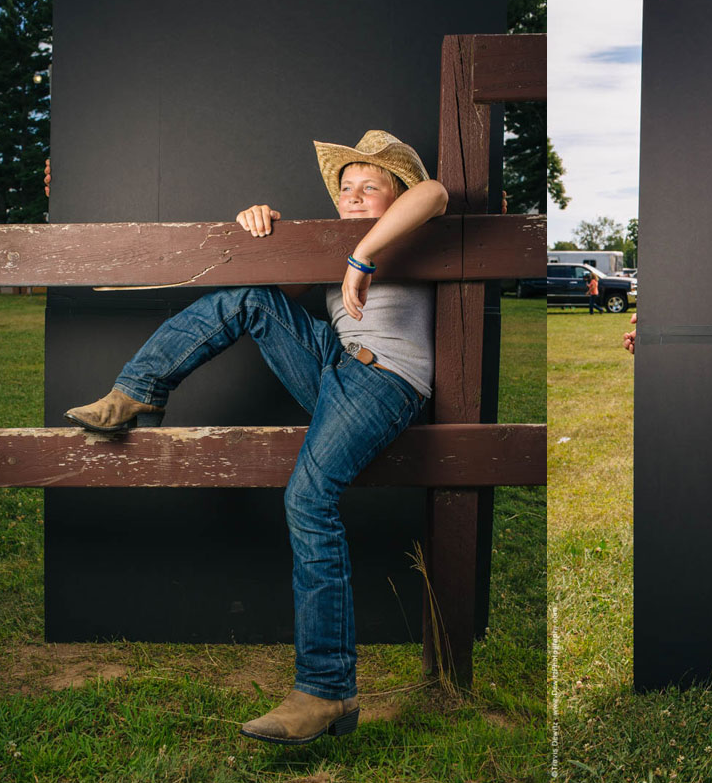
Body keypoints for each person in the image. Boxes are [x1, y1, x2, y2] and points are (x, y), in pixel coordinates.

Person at [64, 130, 447, 745]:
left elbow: (433, 191)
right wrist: (261, 226)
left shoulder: (412, 224)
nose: (351, 196)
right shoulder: (333, 240)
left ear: (392, 193)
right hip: (332, 362)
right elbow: (279, 295)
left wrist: (363, 254)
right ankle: (136, 391)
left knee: (308, 499)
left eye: (368, 186)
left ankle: (327, 692)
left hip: (384, 379)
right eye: (345, 187)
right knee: (248, 296)